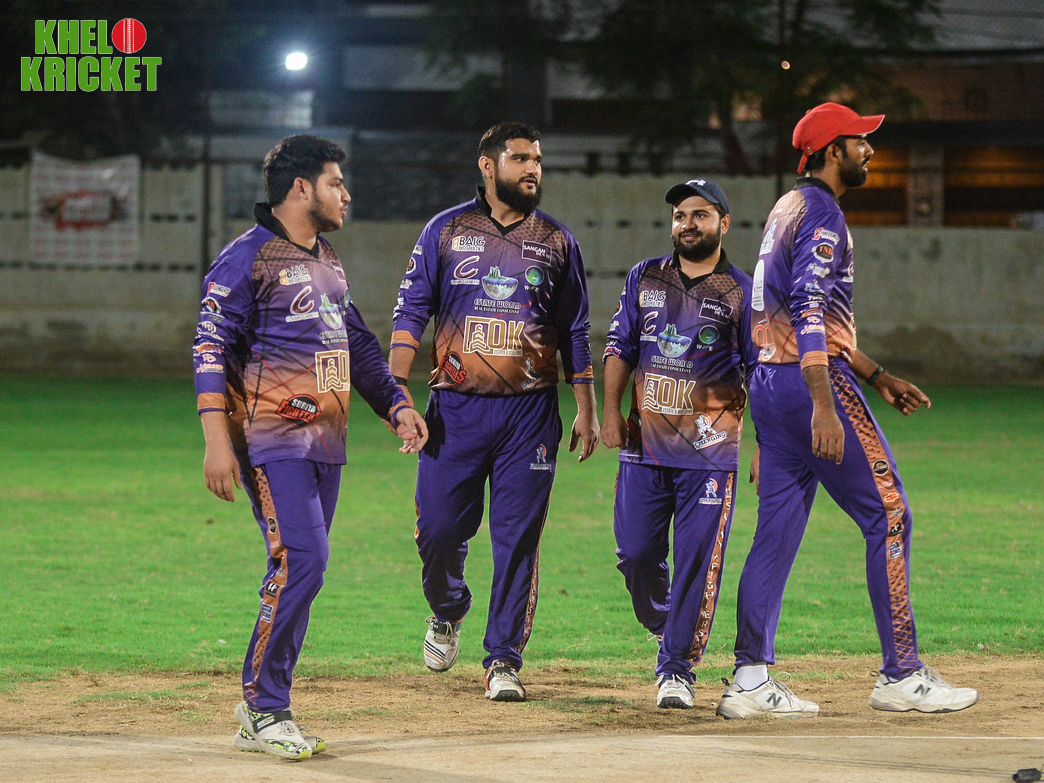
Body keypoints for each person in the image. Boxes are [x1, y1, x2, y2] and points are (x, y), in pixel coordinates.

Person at [716, 103, 978, 718]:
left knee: (776, 531)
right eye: (861, 141)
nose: (870, 150)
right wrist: (824, 405)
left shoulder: (787, 207)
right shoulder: (824, 213)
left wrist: (876, 374)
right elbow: (810, 309)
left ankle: (749, 681)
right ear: (833, 150)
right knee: (889, 515)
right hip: (811, 385)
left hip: (771, 382)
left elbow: (788, 312)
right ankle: (901, 674)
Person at [193, 134, 428, 759]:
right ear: (301, 188)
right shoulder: (246, 258)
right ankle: (264, 708)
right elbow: (209, 348)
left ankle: (265, 706)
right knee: (303, 560)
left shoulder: (327, 259)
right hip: (270, 440)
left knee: (301, 568)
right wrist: (216, 440)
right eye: (335, 183)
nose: (346, 195)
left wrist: (397, 405)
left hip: (326, 442)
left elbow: (357, 341)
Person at [388, 121, 600, 701]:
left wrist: (585, 408)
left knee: (517, 539)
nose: (533, 169)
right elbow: (411, 312)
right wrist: (397, 392)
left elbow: (575, 330)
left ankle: (503, 658)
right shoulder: (446, 231)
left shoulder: (557, 242)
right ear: (488, 166)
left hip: (529, 416)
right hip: (453, 412)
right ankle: (447, 608)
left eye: (538, 160)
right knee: (437, 531)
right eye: (521, 158)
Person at [603, 179, 756, 709]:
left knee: (695, 563)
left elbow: (761, 371)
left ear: (723, 224)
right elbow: (620, 346)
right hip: (643, 445)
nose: (688, 223)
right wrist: (608, 411)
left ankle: (676, 668)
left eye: (700, 214)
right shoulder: (644, 277)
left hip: (709, 455)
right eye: (680, 215)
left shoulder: (741, 291)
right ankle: (666, 625)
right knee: (635, 553)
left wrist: (767, 444)